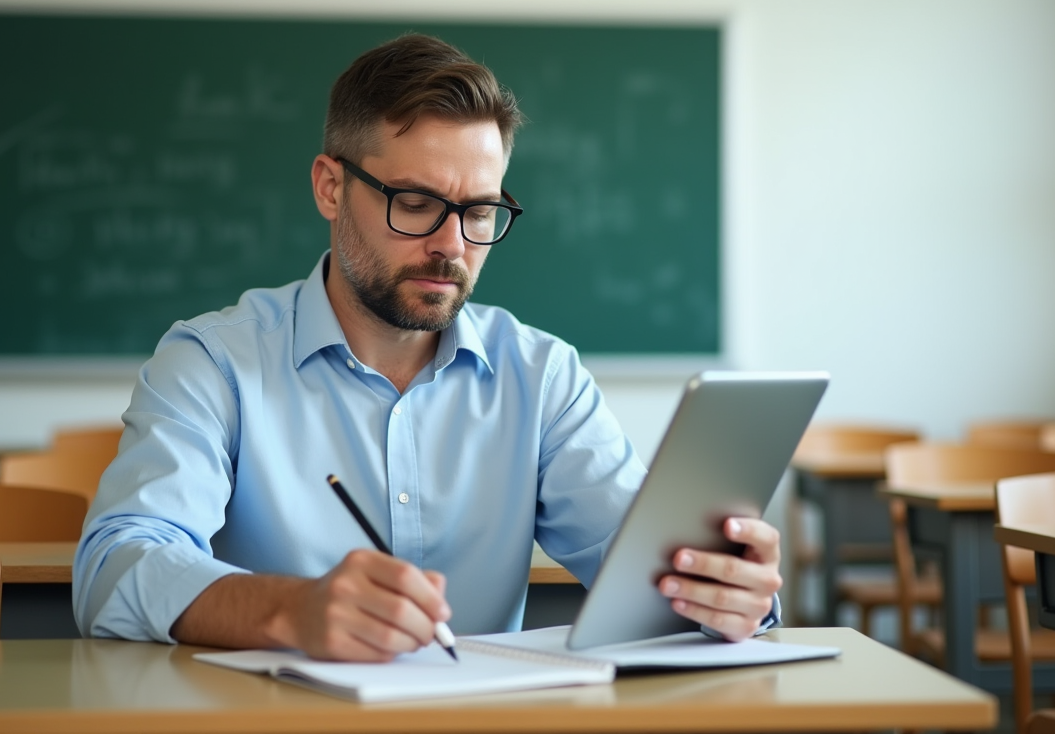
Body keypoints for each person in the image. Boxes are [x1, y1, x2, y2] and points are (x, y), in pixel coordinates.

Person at [73, 33, 783, 662]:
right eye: (414, 203)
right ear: (330, 187)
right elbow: (116, 568)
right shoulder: (214, 363)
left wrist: (726, 592)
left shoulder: (541, 376)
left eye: (479, 211)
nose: (451, 245)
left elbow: (648, 576)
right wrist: (291, 610)